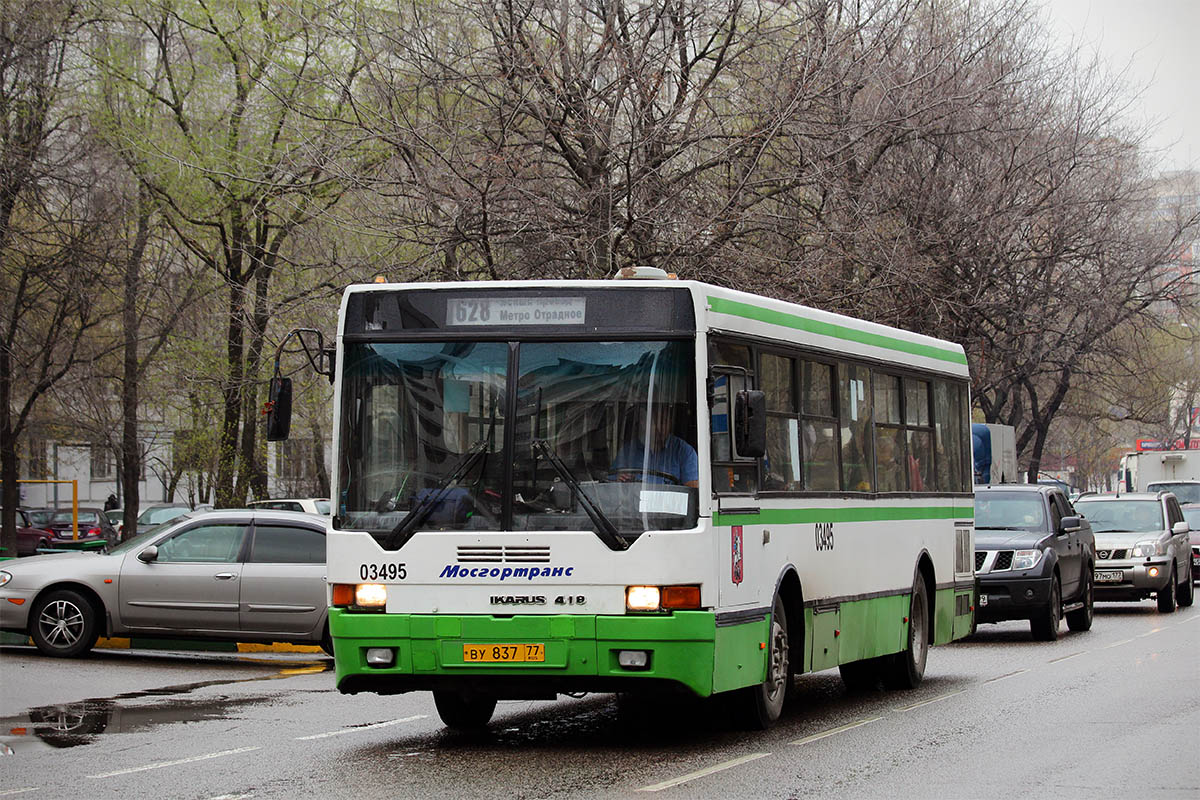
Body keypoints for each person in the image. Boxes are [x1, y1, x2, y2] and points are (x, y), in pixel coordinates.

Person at [610, 403, 698, 488]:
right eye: (654, 422)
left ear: (670, 423)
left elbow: (692, 490)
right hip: (634, 502)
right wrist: (619, 481)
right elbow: (611, 485)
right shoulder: (628, 452)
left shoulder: (684, 452)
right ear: (643, 423)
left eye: (663, 422)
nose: (659, 428)